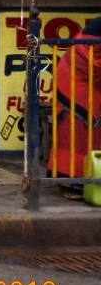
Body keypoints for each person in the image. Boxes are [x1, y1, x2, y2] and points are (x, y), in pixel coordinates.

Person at [49, 16, 101, 180]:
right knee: (74, 126)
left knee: (91, 128)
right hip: (76, 73)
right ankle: (70, 180)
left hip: (91, 75)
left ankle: (89, 177)